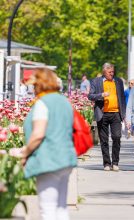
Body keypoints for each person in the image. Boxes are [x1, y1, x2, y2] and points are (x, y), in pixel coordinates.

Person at [21, 68, 77, 220]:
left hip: (49, 159)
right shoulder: (64, 102)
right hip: (66, 158)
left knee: (48, 209)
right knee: (61, 208)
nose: (33, 88)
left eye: (34, 85)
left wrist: (24, 153)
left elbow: (38, 134)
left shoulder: (42, 103)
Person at [88, 63, 126, 171]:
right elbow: (90, 96)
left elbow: (122, 98)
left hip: (116, 114)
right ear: (104, 71)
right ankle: (106, 163)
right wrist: (101, 95)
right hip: (102, 114)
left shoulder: (118, 81)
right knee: (104, 140)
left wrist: (124, 114)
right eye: (110, 72)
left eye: (113, 72)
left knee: (117, 137)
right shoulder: (96, 81)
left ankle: (115, 162)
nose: (112, 74)